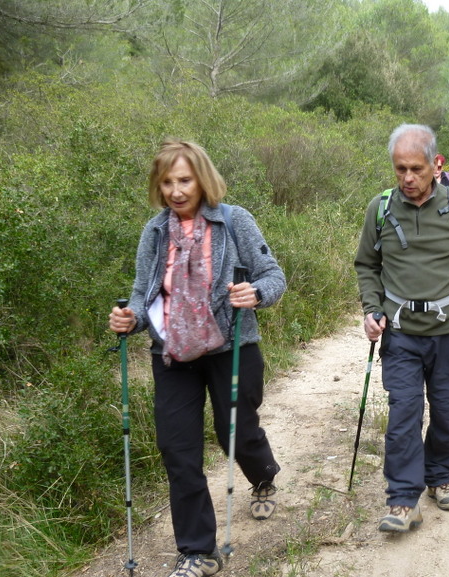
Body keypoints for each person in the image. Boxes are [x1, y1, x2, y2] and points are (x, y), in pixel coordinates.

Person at [108, 139, 286, 577]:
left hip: (231, 346)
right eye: (167, 182)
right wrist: (129, 318)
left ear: (202, 179)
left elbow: (273, 276)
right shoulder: (154, 231)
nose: (175, 190)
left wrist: (256, 293)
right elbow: (142, 292)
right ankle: (198, 551)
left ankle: (262, 476)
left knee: (237, 433)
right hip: (172, 353)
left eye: (184, 179)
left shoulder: (234, 221)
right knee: (177, 449)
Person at [354, 124, 449, 533]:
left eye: (416, 169)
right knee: (403, 413)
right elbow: (367, 265)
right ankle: (402, 499)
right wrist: (371, 307)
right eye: (400, 169)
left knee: (448, 411)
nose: (408, 178)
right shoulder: (380, 209)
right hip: (400, 335)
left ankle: (439, 476)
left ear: (435, 165)